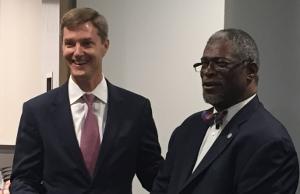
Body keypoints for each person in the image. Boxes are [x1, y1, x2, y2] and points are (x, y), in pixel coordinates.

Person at [10, 7, 163, 194]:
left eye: (86, 43)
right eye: (69, 44)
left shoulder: (136, 109)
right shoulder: (37, 110)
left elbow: (155, 176)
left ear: (105, 46)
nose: (77, 52)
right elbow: (24, 179)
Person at [151, 28, 299, 194]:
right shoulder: (189, 128)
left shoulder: (270, 141)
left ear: (250, 71)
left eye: (220, 64)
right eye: (204, 63)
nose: (207, 71)